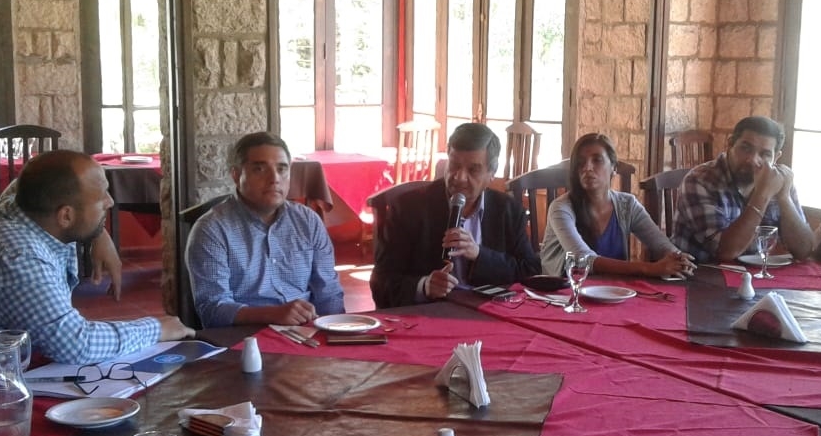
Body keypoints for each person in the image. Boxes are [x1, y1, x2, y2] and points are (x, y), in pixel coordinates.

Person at [0, 150, 193, 363]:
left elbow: (22, 183)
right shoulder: (17, 254)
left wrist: (99, 233)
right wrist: (156, 329)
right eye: (102, 198)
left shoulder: (25, 207)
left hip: (5, 363)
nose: (110, 202)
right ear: (66, 216)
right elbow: (75, 344)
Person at [371, 122, 540, 308]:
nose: (460, 177)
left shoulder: (508, 210)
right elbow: (381, 282)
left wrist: (479, 255)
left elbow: (530, 271)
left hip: (491, 310)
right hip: (431, 312)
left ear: (491, 173)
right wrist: (424, 286)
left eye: (473, 169)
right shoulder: (408, 208)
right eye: (454, 165)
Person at [186, 132, 344, 327]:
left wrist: (337, 332)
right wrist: (271, 314)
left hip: (307, 332)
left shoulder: (308, 221)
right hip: (246, 336)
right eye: (259, 169)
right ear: (236, 175)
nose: (274, 179)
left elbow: (329, 293)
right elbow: (212, 309)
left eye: (282, 169)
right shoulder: (212, 230)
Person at [540, 133, 695, 279]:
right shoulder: (561, 208)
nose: (587, 168)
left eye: (597, 160)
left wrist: (678, 259)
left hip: (615, 291)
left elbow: (661, 245)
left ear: (614, 168)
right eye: (581, 163)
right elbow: (583, 259)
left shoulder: (627, 205)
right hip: (565, 293)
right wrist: (650, 268)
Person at [672, 116, 815, 263]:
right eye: (746, 148)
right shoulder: (700, 180)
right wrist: (762, 195)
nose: (752, 160)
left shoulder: (778, 180)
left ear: (776, 158)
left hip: (755, 273)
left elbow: (804, 250)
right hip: (702, 272)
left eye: (765, 154)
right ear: (729, 144)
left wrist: (784, 197)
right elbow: (725, 252)